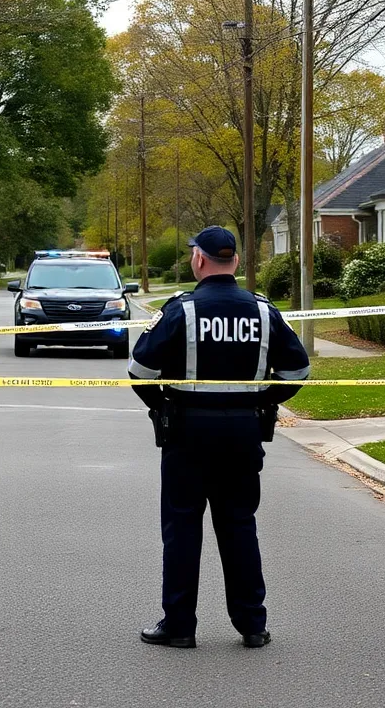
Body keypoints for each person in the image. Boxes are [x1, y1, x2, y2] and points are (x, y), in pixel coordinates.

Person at [127, 225, 310, 649]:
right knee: (239, 525)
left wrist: (164, 406)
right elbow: (297, 371)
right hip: (244, 431)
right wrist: (262, 401)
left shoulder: (182, 310)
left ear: (199, 260)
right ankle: (252, 625)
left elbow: (140, 372)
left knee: (182, 528)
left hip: (187, 433)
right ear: (237, 262)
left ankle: (179, 627)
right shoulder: (264, 310)